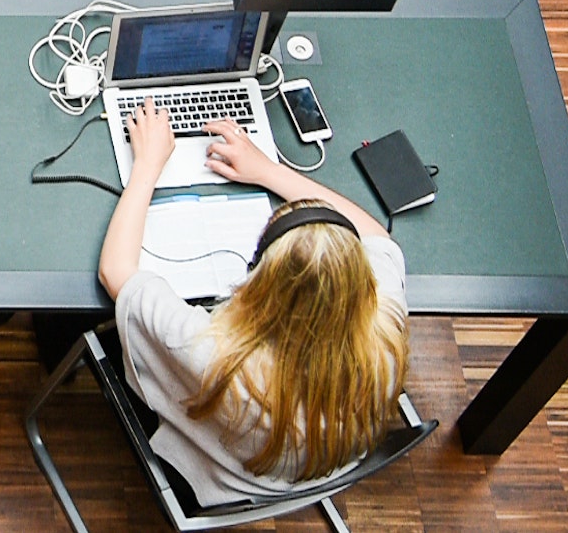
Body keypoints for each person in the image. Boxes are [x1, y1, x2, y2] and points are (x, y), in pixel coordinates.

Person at [96, 102, 410, 506]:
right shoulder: (384, 331)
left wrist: (147, 165)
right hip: (314, 474)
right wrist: (269, 171)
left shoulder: (213, 354)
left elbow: (116, 272)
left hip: (219, 480)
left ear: (259, 276)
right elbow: (378, 238)